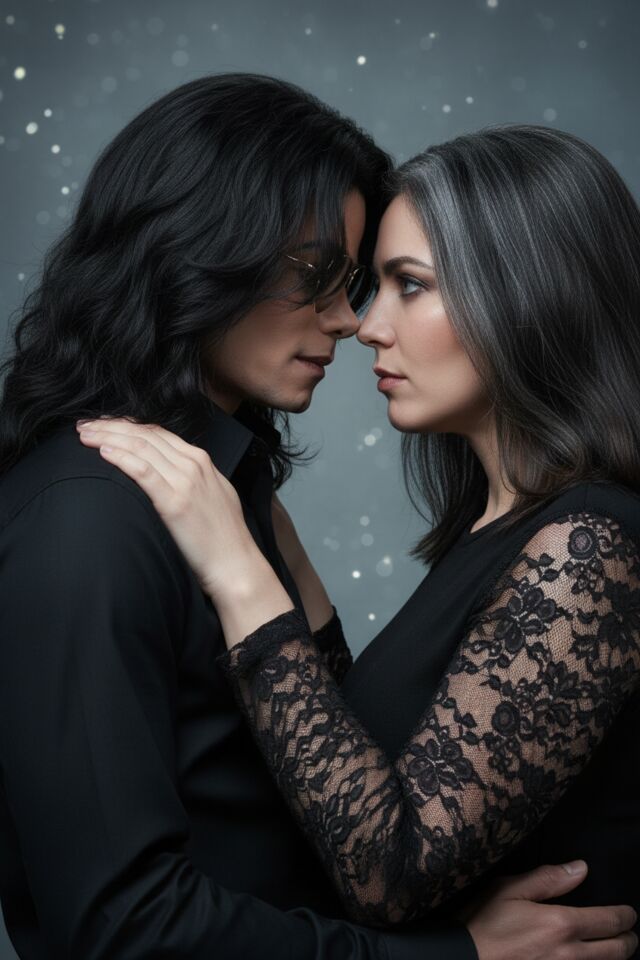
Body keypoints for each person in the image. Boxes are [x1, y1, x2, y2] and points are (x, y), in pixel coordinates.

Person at [0, 70, 635, 960]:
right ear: (201, 249)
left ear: (528, 295)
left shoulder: (578, 538)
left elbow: (364, 832)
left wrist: (256, 571)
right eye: (322, 276)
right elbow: (121, 925)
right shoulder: (92, 517)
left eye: (400, 284)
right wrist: (457, 955)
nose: (355, 321)